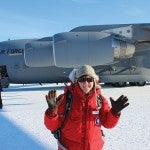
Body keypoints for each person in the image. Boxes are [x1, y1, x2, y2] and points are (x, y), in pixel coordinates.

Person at [44, 65, 129, 150]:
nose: (86, 83)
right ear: (77, 81)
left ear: (94, 81)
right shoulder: (65, 99)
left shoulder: (99, 100)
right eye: (82, 80)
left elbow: (108, 123)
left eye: (89, 80)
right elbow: (52, 127)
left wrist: (114, 112)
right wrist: (51, 112)